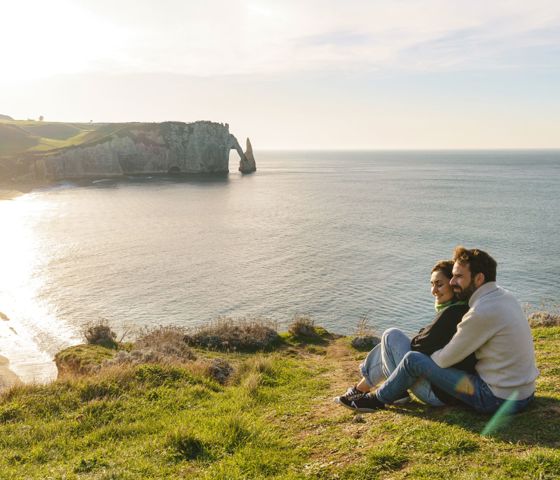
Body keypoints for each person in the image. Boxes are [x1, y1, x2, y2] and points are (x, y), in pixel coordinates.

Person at [335, 246, 539, 414]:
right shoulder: (505, 297)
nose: (452, 281)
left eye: (458, 276)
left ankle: (375, 399)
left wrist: (424, 360)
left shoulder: (481, 312)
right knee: (400, 347)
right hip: (524, 393)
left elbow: (443, 360)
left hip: (495, 399)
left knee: (413, 359)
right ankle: (375, 389)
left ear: (478, 279)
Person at [335, 259, 476, 409]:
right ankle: (361, 389)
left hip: (439, 394)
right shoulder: (463, 309)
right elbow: (428, 342)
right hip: (449, 389)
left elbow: (418, 347)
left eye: (439, 284)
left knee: (391, 336)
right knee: (388, 345)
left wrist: (422, 333)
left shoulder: (452, 314)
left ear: (454, 285)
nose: (434, 290)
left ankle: (383, 391)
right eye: (432, 284)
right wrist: (424, 334)